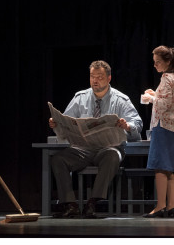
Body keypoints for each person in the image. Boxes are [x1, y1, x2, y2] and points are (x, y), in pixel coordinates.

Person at [49, 60, 143, 218]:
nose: (95, 80)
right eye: (92, 76)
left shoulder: (121, 99)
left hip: (107, 148)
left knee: (113, 155)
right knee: (58, 159)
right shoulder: (80, 97)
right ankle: (70, 204)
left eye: (99, 77)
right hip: (83, 149)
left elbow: (138, 123)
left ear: (109, 78)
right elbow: (67, 120)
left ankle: (92, 202)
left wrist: (127, 125)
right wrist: (57, 123)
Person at [141, 45, 174, 218]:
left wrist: (151, 98)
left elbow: (164, 104)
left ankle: (160, 205)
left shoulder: (166, 78)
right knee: (170, 167)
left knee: (161, 167)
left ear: (168, 62)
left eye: (158, 62)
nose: (155, 65)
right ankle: (171, 206)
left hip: (163, 126)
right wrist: (156, 94)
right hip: (172, 126)